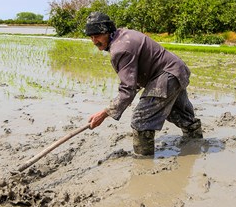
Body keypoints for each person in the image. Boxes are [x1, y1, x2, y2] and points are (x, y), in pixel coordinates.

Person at [85, 11, 203, 157]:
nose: (94, 41)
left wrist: (104, 113)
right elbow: (134, 81)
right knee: (177, 112)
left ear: (108, 31)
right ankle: (196, 143)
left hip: (166, 76)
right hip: (176, 70)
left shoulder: (120, 49)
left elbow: (127, 89)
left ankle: (143, 162)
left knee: (141, 120)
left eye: (97, 35)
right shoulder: (123, 35)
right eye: (91, 37)